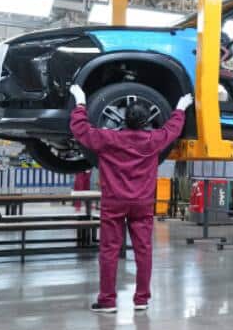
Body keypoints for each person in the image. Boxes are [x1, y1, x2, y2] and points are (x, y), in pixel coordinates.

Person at [69, 86, 191, 314]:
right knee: (143, 251)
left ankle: (107, 301)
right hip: (142, 204)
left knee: (109, 251)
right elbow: (172, 129)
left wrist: (81, 102)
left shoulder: (108, 139)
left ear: (124, 118)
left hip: (114, 202)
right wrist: (180, 108)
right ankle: (142, 299)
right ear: (146, 121)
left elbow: (80, 129)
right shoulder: (153, 140)